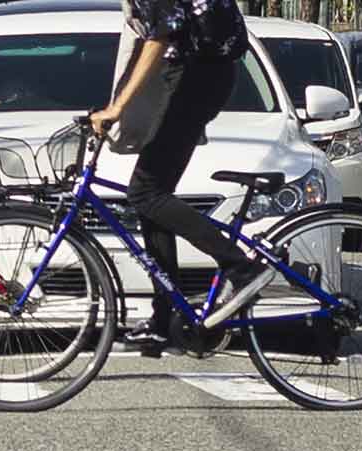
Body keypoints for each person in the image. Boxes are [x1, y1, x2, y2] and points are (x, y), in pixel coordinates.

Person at [91, 0, 273, 355]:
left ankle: (242, 268)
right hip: (200, 72)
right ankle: (165, 318)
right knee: (150, 198)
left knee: (146, 192)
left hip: (199, 75)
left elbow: (161, 35)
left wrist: (117, 107)